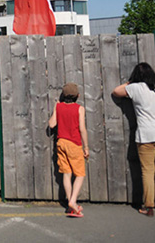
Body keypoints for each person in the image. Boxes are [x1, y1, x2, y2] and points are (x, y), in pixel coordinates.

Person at [113, 62, 155, 217]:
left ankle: (149, 207)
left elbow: (116, 91)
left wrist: (131, 81)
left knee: (147, 172)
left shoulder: (135, 88)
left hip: (146, 135)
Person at [48, 82, 89, 217]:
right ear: (78, 95)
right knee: (80, 174)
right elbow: (82, 129)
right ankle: (72, 201)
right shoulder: (79, 108)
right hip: (74, 144)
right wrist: (86, 147)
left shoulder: (58, 106)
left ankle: (70, 204)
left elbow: (52, 124)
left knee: (66, 173)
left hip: (61, 143)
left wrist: (56, 110)